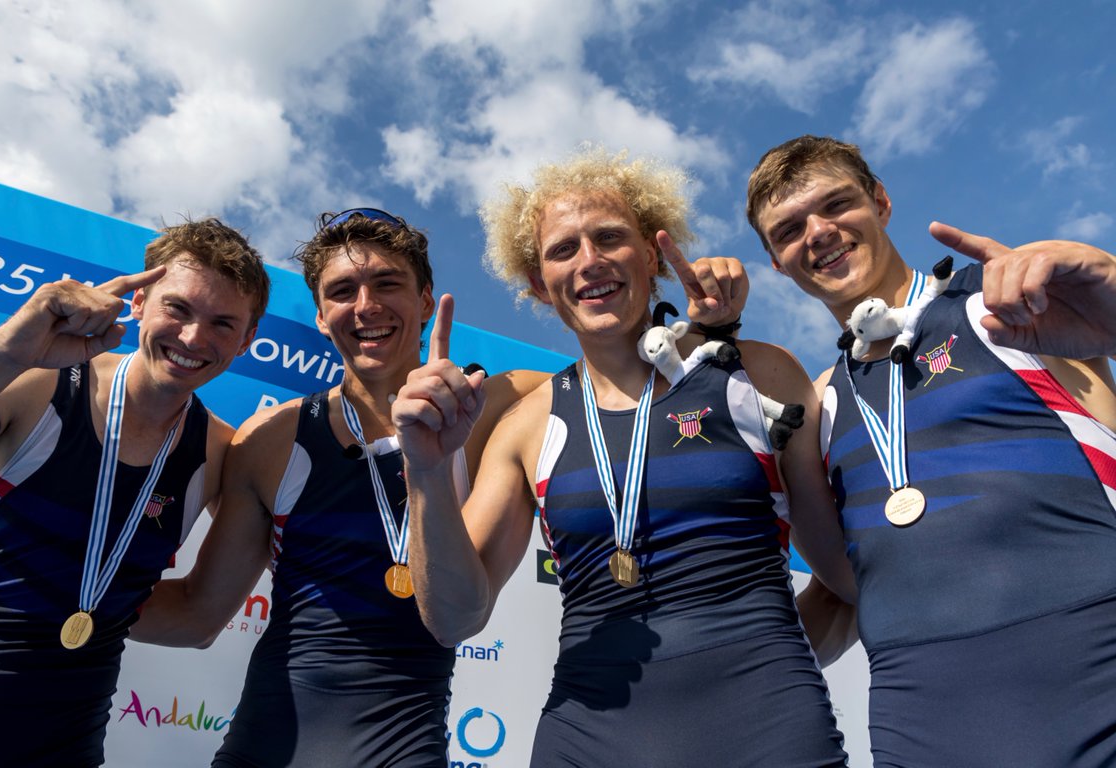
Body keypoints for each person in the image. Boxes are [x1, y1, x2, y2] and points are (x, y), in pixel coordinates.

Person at [393, 148, 854, 766]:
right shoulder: (524, 428)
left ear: (651, 253)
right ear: (537, 283)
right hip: (590, 740)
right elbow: (453, 618)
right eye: (563, 249)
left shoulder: (758, 371)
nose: (590, 262)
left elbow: (849, 574)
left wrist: (764, 658)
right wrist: (425, 473)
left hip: (771, 726)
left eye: (610, 237)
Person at [744, 134, 1116, 767]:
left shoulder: (1005, 302)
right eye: (788, 230)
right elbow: (847, 582)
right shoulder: (818, 405)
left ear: (881, 202)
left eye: (837, 204)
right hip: (924, 717)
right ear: (778, 263)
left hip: (1094, 669)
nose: (819, 233)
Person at [131, 208, 547, 767]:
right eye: (343, 291)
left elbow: (622, 378)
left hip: (403, 751)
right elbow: (198, 616)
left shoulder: (502, 405)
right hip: (262, 750)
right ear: (323, 317)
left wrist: (703, 328)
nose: (366, 306)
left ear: (426, 302)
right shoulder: (268, 440)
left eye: (387, 283)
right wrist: (30, 593)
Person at [0, 218, 269, 767]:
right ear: (140, 301)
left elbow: (199, 621)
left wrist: (91, 601)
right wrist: (4, 352)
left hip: (64, 748)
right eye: (178, 308)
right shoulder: (35, 382)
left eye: (223, 323)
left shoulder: (224, 451)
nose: (195, 338)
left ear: (247, 340)